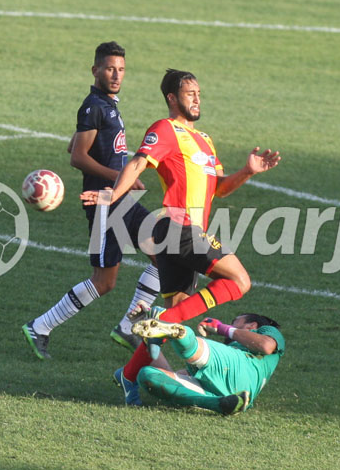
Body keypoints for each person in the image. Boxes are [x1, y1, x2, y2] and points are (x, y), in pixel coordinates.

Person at [81, 68, 281, 403]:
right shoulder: (166, 129)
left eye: (199, 93)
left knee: (178, 325)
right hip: (179, 227)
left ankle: (129, 376)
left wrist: (247, 171)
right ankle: (158, 321)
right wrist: (110, 197)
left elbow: (220, 189)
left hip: (178, 236)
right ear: (172, 98)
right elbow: (137, 164)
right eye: (190, 93)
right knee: (239, 281)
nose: (197, 98)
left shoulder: (205, 141)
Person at [21, 41, 159, 360]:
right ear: (95, 69)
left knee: (164, 255)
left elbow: (74, 144)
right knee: (105, 281)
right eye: (110, 68)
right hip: (103, 203)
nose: (116, 74)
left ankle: (127, 326)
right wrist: (119, 176)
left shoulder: (105, 104)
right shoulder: (94, 105)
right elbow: (78, 158)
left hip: (119, 199)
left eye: (121, 69)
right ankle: (40, 327)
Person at [131, 312, 285, 415]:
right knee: (147, 375)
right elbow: (175, 376)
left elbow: (266, 346)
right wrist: (140, 331)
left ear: (252, 326)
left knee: (197, 347)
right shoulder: (230, 351)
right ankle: (219, 404)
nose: (231, 324)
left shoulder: (267, 331)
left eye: (235, 321)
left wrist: (222, 328)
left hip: (244, 367)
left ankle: (178, 333)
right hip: (235, 394)